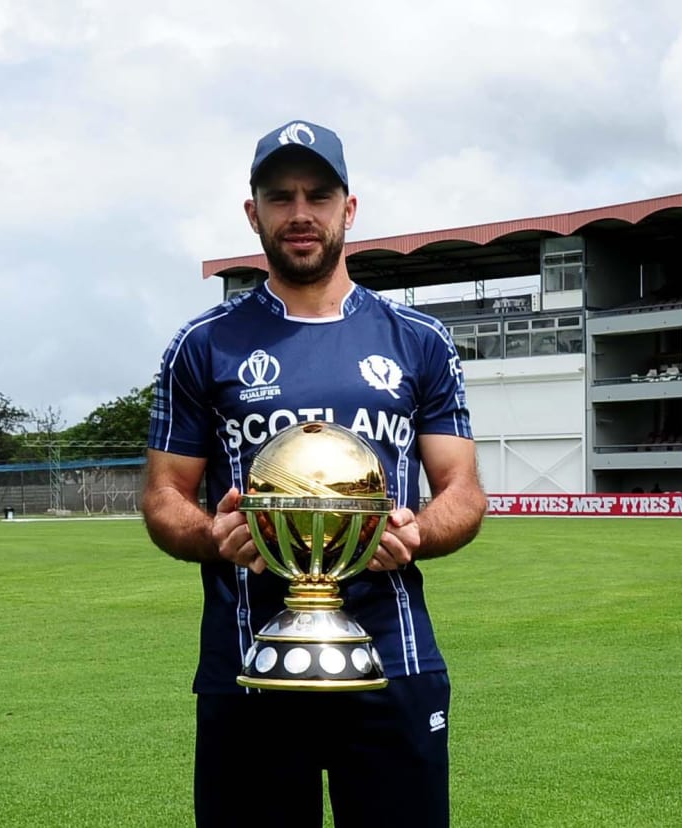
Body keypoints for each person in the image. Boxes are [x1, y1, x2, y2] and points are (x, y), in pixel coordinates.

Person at [142, 119, 487, 828]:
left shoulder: (419, 341)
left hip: (394, 659)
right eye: (280, 197)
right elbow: (162, 499)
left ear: (348, 209)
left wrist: (415, 532)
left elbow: (464, 492)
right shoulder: (203, 345)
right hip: (250, 667)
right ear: (254, 214)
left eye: (318, 195)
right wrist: (216, 535)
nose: (300, 214)